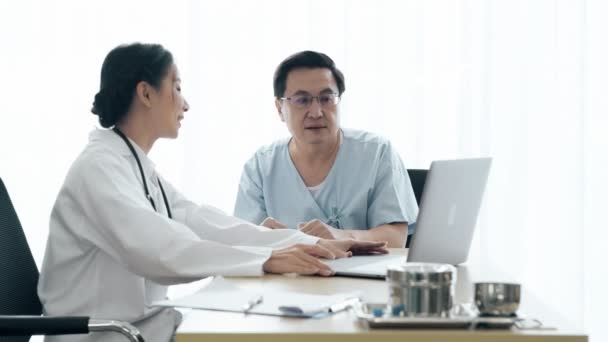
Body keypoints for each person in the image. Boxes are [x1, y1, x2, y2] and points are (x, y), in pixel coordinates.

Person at [37, 43, 387, 342]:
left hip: (143, 326)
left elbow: (202, 221)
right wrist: (262, 261)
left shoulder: (133, 165)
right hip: (102, 333)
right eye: (175, 87)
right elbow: (160, 252)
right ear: (146, 93)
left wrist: (307, 244)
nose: (185, 104)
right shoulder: (99, 168)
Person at [234, 51, 418, 248]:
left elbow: (396, 238)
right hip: (288, 277)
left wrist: (341, 236)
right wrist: (266, 241)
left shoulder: (377, 153)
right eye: (302, 100)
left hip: (361, 277)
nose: (316, 112)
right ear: (280, 109)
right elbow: (245, 242)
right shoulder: (260, 167)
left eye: (326, 99)